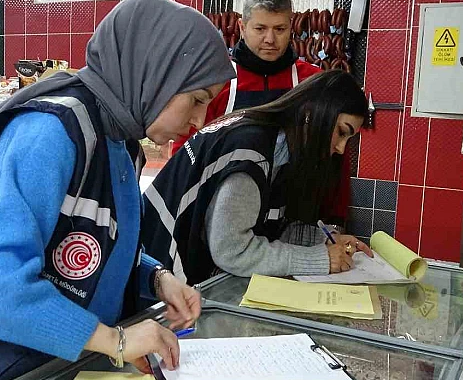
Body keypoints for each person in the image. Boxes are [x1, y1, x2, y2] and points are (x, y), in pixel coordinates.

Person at [0, 0, 236, 380]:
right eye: (198, 99)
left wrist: (156, 278)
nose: (200, 121)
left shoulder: (121, 141)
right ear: (157, 74)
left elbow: (92, 242)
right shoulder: (52, 133)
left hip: (46, 369)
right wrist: (117, 341)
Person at [142, 70, 372, 286]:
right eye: (342, 132)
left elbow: (268, 227)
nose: (341, 149)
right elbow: (233, 250)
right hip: (156, 276)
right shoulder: (251, 152)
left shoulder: (277, 149)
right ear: (312, 114)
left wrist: (323, 239)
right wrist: (320, 259)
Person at [171, 0, 353, 224]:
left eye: (280, 29)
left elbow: (336, 161)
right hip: (221, 219)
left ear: (291, 28)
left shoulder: (314, 83)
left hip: (296, 221)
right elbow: (185, 155)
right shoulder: (217, 82)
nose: (270, 39)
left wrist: (335, 221)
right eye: (260, 28)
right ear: (242, 27)